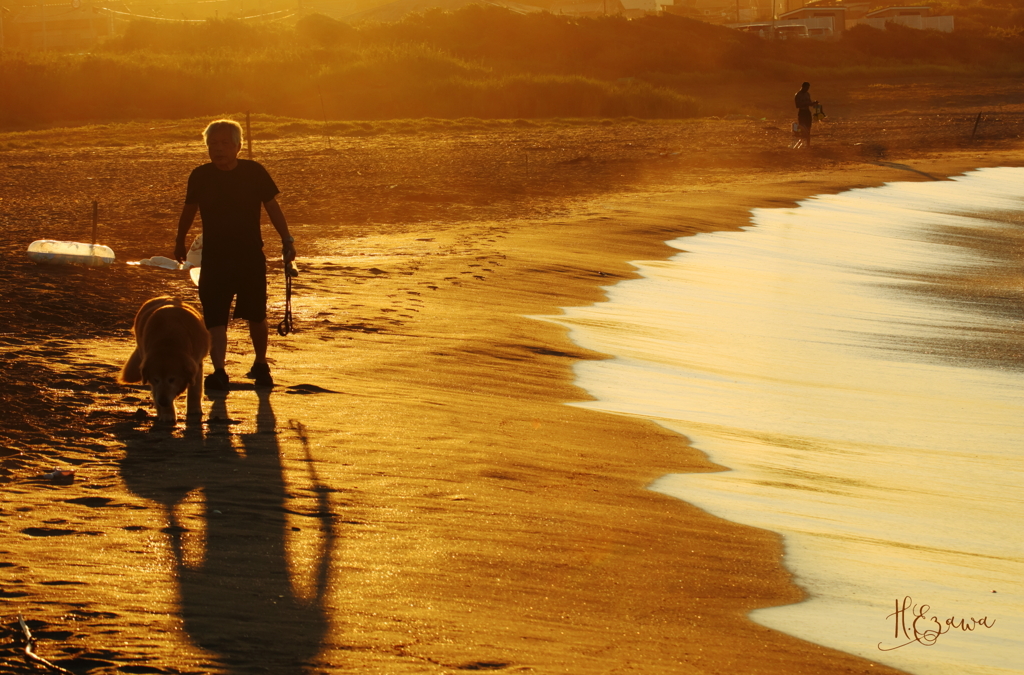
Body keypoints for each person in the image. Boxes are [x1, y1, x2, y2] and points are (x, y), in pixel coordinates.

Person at [174, 119, 296, 390]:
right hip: (214, 259)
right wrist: (179, 240)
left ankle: (261, 364)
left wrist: (286, 239)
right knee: (215, 317)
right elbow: (189, 210)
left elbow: (272, 206)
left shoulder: (254, 172)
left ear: (238, 146)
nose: (218, 149)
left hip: (250, 257)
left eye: (224, 144)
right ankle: (220, 371)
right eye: (212, 144)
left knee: (256, 314)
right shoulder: (200, 175)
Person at [794, 82, 818, 148]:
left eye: (808, 88)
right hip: (802, 112)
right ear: (802, 87)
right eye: (806, 87)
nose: (807, 89)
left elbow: (809, 103)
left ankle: (808, 145)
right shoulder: (798, 95)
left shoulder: (807, 94)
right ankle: (800, 144)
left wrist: (814, 103)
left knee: (808, 128)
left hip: (807, 112)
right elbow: (797, 105)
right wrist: (807, 104)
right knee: (802, 129)